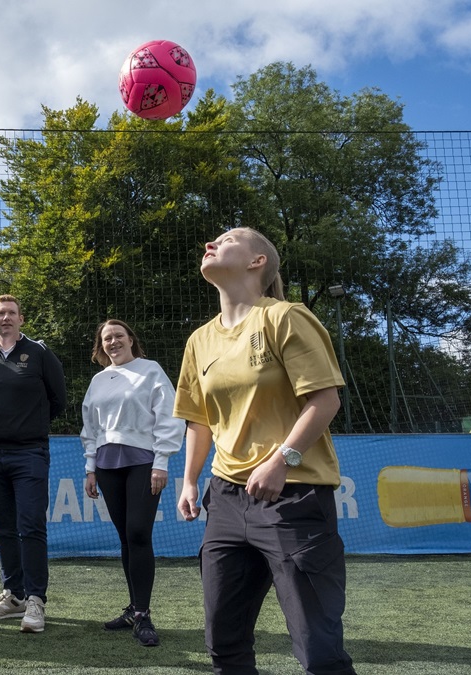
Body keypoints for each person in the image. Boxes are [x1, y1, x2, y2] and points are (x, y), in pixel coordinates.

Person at [174, 227, 356, 674]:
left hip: (293, 498)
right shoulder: (199, 340)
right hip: (226, 501)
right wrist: (190, 480)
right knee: (224, 644)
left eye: (228, 239)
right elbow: (199, 420)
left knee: (318, 650)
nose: (209, 244)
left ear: (257, 262)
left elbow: (326, 400)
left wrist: (282, 460)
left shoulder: (284, 317)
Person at [80, 319, 185, 647]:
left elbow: (169, 415)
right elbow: (90, 426)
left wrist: (162, 461)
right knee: (126, 537)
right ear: (101, 346)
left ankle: (143, 614)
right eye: (106, 339)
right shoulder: (98, 380)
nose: (113, 342)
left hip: (144, 461)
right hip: (107, 464)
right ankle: (132, 609)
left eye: (118, 336)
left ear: (131, 339)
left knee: (139, 532)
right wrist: (90, 468)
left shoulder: (150, 370)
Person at [0, 294, 66, 633]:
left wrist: (29, 426)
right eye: (0, 314)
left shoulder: (40, 354)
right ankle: (14, 596)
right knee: (1, 527)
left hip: (30, 453)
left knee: (31, 526)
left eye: (11, 313)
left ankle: (36, 600)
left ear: (22, 319)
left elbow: (59, 400)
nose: (6, 318)